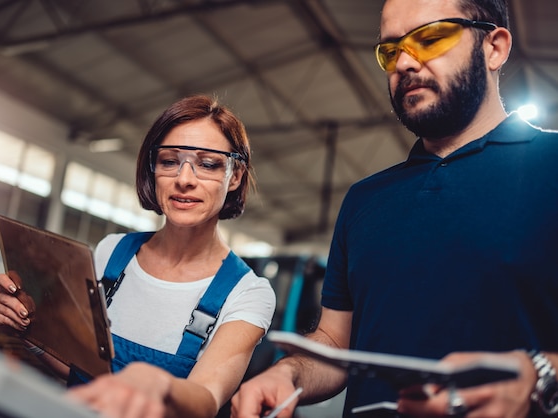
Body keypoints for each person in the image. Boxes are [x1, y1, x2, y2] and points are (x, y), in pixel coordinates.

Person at [231, 0, 558, 417]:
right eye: (391, 49)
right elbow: (335, 342)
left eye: (431, 37)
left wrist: (540, 376)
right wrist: (289, 373)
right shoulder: (366, 200)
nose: (404, 62)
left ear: (494, 47)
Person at [0, 94, 276, 418]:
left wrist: (161, 386)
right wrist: (29, 333)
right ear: (153, 168)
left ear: (235, 176)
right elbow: (82, 376)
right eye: (169, 161)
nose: (184, 179)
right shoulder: (113, 253)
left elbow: (206, 399)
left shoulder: (247, 293)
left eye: (208, 164)